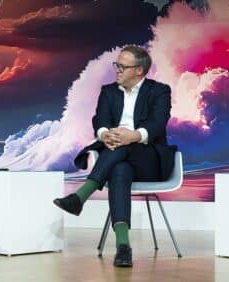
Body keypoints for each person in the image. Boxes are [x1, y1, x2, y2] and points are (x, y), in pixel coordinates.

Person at [53, 45, 176, 267]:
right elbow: (99, 120)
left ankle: (80, 196)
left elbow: (157, 124)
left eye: (122, 66)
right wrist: (105, 134)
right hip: (118, 157)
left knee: (123, 145)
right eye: (116, 65)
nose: (117, 70)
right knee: (119, 169)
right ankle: (123, 247)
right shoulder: (108, 91)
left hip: (149, 161)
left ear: (139, 70)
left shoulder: (159, 91)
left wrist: (134, 136)